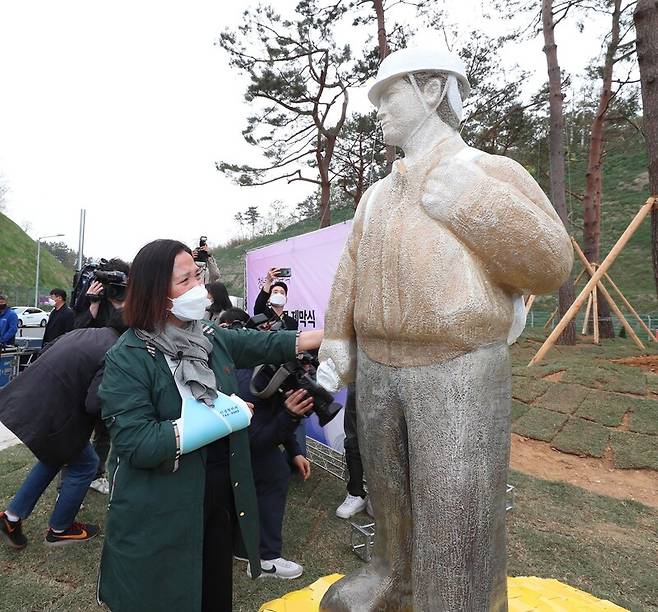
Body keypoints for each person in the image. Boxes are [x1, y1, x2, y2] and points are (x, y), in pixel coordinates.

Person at [318, 45, 573, 611]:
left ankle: (460, 600)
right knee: (390, 493)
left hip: (458, 363)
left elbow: (553, 263)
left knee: (457, 501)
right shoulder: (376, 195)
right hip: (381, 366)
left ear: (431, 89)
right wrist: (339, 335)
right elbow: (352, 267)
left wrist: (475, 205)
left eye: (389, 94)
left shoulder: (486, 173)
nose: (377, 109)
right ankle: (395, 577)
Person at [96, 239, 323, 612]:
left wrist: (335, 336)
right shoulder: (129, 357)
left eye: (197, 276)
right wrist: (223, 418)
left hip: (215, 501)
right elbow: (138, 444)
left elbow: (266, 344)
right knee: (165, 595)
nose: (197, 288)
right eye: (184, 281)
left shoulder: (207, 336)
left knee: (213, 593)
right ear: (156, 293)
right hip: (162, 509)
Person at [0, 309, 127, 550]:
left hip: (29, 397)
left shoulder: (86, 332)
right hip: (51, 411)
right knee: (86, 464)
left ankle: (11, 518)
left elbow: (47, 349)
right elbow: (94, 402)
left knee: (54, 457)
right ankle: (60, 529)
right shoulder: (116, 350)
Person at [219, 308, 312, 580]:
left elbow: (271, 416)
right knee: (273, 473)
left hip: (236, 442)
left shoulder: (268, 369)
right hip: (235, 446)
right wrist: (291, 415)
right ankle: (266, 557)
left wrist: (295, 450)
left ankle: (243, 547)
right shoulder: (253, 377)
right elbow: (257, 440)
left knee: (272, 469)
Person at [73, 259, 129, 496]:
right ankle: (71, 475)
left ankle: (97, 473)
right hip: (89, 372)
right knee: (79, 429)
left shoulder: (129, 299)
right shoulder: (92, 298)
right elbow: (77, 330)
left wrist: (121, 303)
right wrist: (93, 304)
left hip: (114, 372)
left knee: (105, 430)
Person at [335, 383, 369, 519]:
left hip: (394, 379)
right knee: (352, 439)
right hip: (359, 377)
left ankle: (381, 497)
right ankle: (356, 493)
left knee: (387, 443)